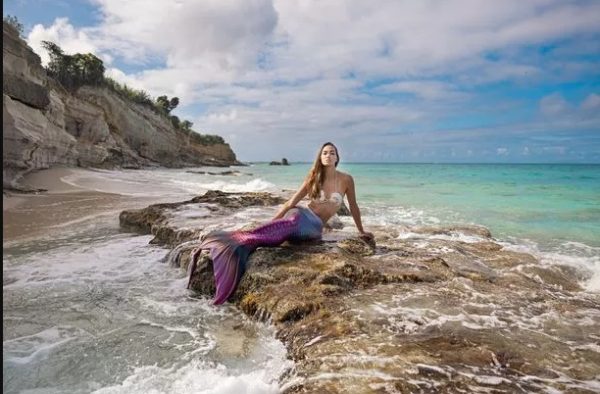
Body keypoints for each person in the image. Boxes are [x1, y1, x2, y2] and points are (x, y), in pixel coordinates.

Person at [188, 142, 374, 304]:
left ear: (337, 157)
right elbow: (291, 202)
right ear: (320, 157)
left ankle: (239, 241)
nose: (328, 155)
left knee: (290, 228)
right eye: (324, 152)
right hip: (302, 214)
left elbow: (354, 206)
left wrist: (361, 231)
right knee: (289, 221)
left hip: (315, 226)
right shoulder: (313, 177)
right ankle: (237, 242)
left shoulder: (346, 179)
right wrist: (272, 220)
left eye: (332, 152)